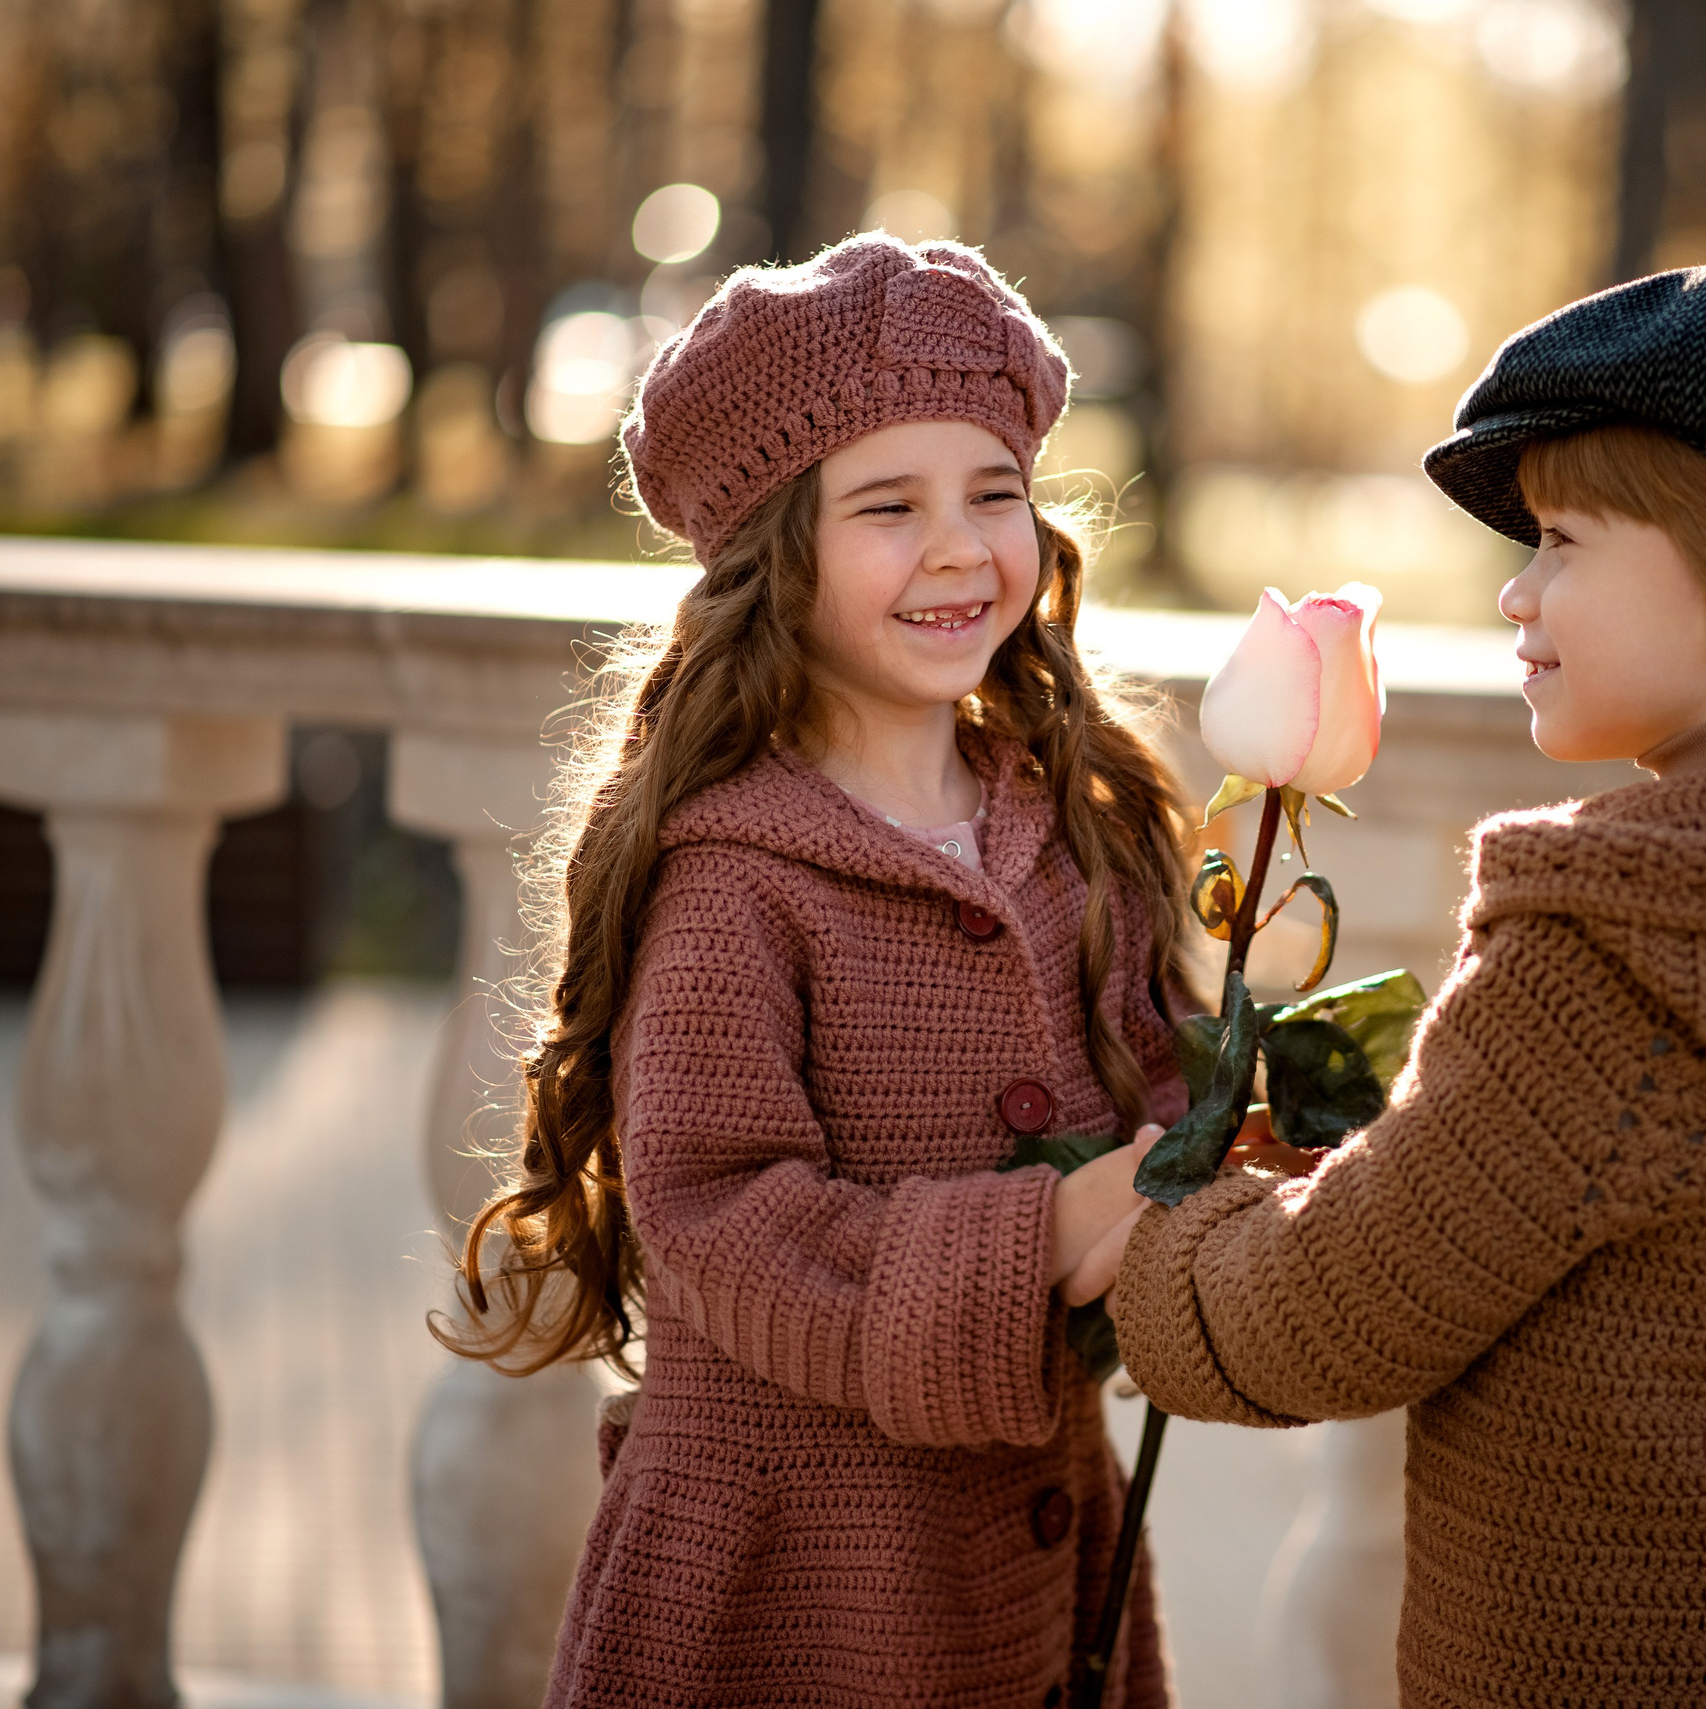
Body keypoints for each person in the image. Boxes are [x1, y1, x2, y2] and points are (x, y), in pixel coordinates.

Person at [1086, 262, 1706, 1706]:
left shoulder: (1614, 958)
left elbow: (1330, 1313)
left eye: (1561, 539)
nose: (1516, 585)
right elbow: (1584, 1200)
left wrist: (1170, 1225)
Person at [433, 233, 1190, 1709]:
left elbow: (1151, 1096)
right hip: (795, 1580)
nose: (963, 546)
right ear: (776, 553)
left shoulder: (1065, 827)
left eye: (997, 492)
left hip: (1030, 1564)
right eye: (889, 506)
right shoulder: (734, 872)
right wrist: (1046, 1233)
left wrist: (1212, 1152)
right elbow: (720, 1214)